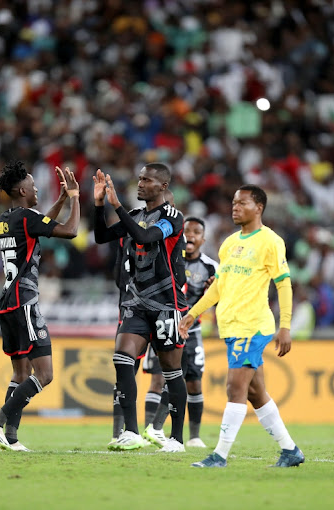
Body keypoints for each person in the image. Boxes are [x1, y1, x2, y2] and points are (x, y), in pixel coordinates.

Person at [178, 185, 304, 468]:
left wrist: (286, 326)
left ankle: (219, 456)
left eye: (242, 203)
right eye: (234, 203)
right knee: (255, 392)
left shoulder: (270, 241)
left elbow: (283, 283)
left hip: (253, 326)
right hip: (231, 327)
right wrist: (192, 313)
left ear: (258, 207)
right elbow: (219, 287)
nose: (235, 208)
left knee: (234, 388)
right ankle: (290, 450)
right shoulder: (229, 243)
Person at [0, 163, 80, 451]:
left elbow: (39, 226)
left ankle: (10, 437)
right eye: (33, 185)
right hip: (25, 301)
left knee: (20, 374)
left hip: (7, 303)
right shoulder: (27, 217)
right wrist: (74, 197)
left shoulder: (6, 219)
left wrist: (59, 200)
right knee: (44, 374)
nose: (37, 189)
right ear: (22, 190)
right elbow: (70, 231)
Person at [94, 164, 189, 452]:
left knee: (171, 370)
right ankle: (132, 432)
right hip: (135, 303)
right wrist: (100, 205)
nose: (140, 183)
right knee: (122, 358)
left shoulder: (172, 216)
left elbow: (146, 237)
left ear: (162, 186)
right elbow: (101, 236)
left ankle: (177, 439)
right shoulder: (136, 216)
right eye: (139, 178)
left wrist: (117, 207)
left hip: (165, 305)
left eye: (147, 179)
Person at [143, 216, 218, 449]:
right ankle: (148, 432)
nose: (191, 236)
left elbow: (220, 301)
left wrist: (213, 294)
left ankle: (194, 436)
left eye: (197, 232)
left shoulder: (211, 268)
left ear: (203, 239)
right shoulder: (167, 257)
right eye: (187, 231)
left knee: (194, 382)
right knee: (158, 379)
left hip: (192, 331)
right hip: (164, 327)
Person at [110, 191, 175, 445]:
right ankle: (123, 432)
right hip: (132, 309)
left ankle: (160, 431)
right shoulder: (130, 231)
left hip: (164, 310)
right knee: (125, 366)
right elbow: (118, 273)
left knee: (168, 372)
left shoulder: (170, 233)